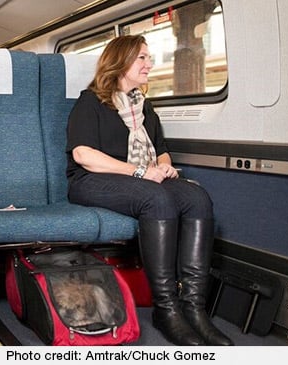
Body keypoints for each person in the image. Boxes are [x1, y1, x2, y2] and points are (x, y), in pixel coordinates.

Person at [66, 35, 233, 346]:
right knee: (156, 198)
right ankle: (166, 309)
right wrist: (142, 172)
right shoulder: (90, 102)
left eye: (148, 57)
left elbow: (161, 150)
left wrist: (165, 167)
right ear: (120, 62)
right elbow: (83, 155)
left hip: (138, 179)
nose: (149, 64)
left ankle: (194, 309)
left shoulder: (144, 106)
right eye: (142, 58)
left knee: (197, 197)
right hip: (91, 181)